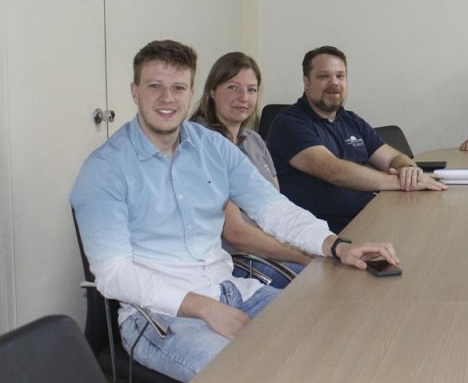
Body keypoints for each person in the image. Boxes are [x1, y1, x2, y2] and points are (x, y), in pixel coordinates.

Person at [70, 40, 398, 381]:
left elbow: (274, 210)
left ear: (191, 92)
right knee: (253, 373)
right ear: (135, 92)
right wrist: (204, 308)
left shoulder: (212, 147)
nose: (167, 98)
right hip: (159, 316)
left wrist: (336, 245)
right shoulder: (104, 169)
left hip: (230, 289)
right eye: (155, 86)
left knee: (337, 334)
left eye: (178, 88)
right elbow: (113, 273)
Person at [268, 45, 446, 232]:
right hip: (324, 234)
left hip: (369, 219)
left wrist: (407, 169)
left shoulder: (351, 121)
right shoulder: (289, 123)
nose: (334, 83)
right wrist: (399, 182)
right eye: (323, 76)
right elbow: (333, 171)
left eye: (340, 76)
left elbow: (392, 157)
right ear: (306, 82)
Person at [191, 51, 310, 288]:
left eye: (251, 89)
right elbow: (236, 234)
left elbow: (276, 208)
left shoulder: (254, 141)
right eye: (232, 87)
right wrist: (303, 256)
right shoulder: (201, 144)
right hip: (236, 261)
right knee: (318, 281)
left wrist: (311, 243)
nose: (243, 98)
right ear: (212, 91)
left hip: (269, 249)